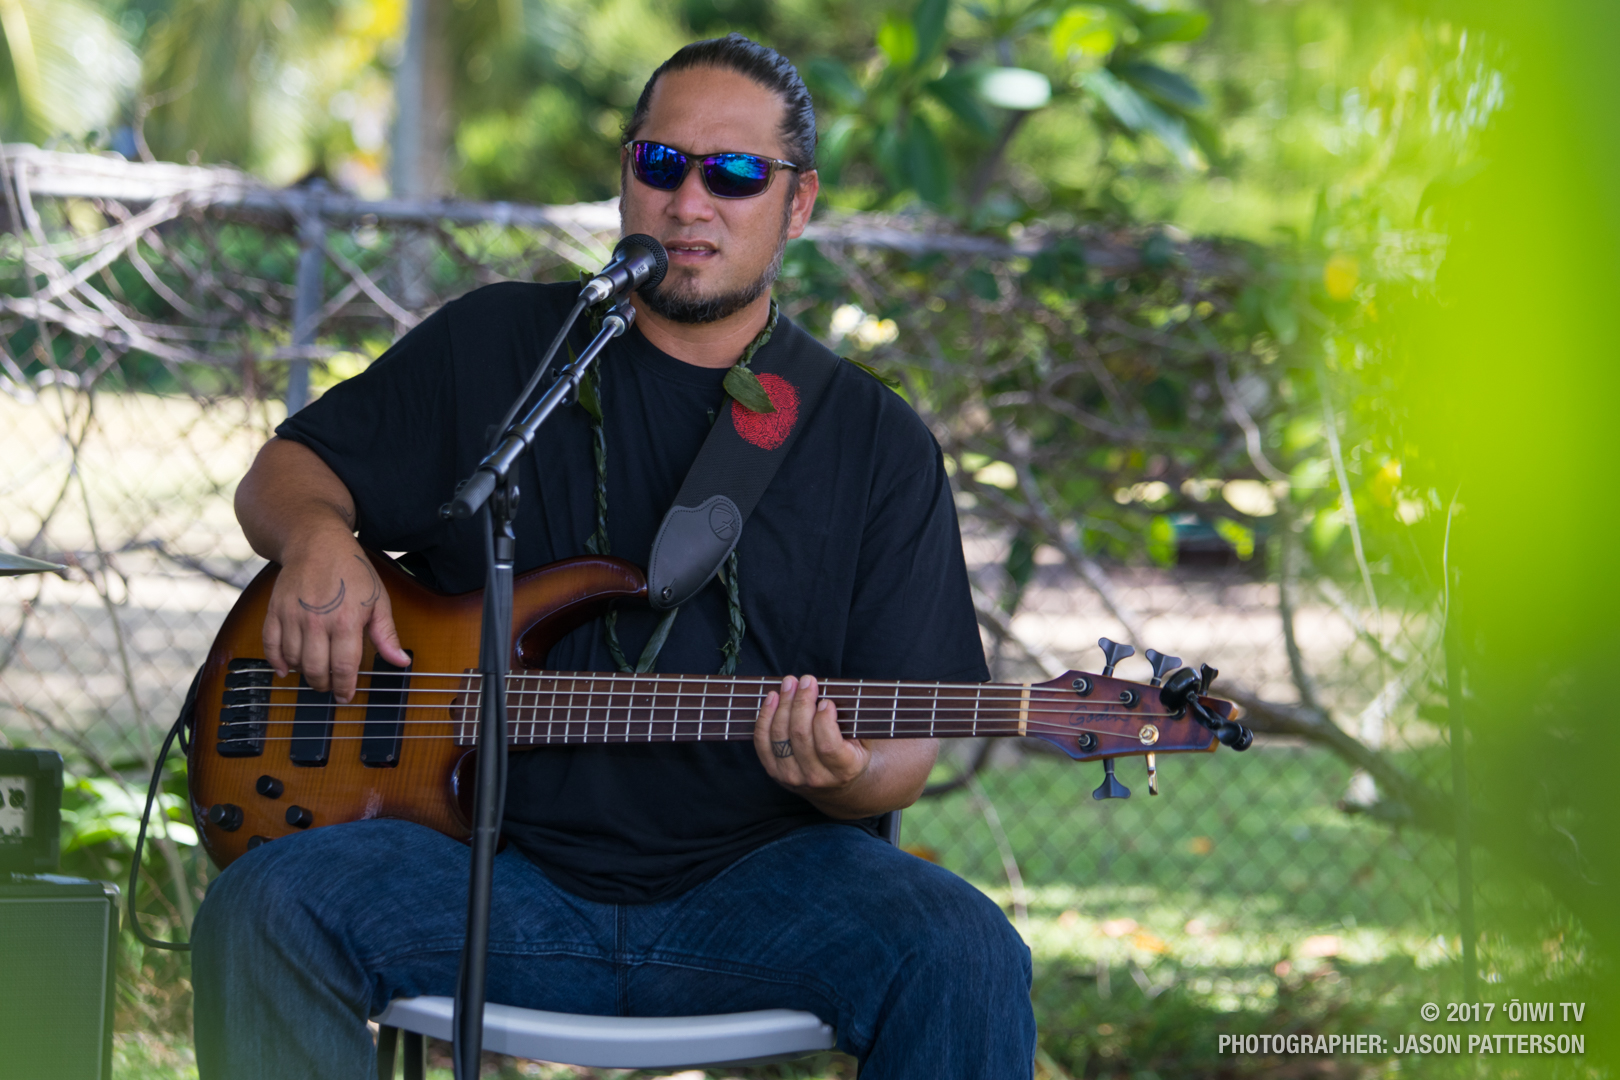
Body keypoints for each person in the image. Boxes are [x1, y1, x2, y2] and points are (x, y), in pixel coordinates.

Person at [193, 34, 1036, 1080]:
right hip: (482, 872)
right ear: (626, 175)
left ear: (798, 203)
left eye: (735, 174)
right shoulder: (500, 348)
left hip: (764, 894)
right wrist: (319, 539)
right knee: (263, 909)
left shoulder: (874, 442)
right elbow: (285, 474)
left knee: (963, 951)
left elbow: (902, 756)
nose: (691, 202)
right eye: (661, 163)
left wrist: (847, 777)